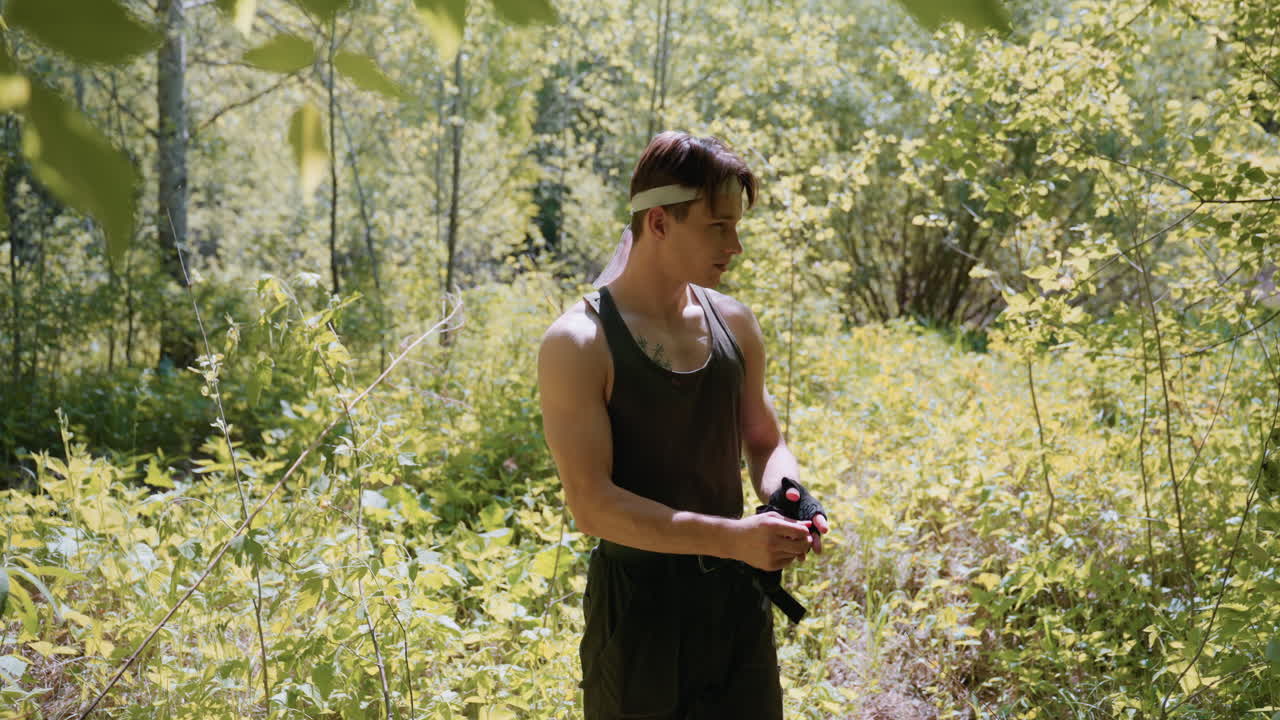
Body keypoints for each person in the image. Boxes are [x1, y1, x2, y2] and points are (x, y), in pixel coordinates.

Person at [537, 131, 832, 719]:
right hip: (639, 613)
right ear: (660, 224)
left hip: (734, 605)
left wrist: (787, 494)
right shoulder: (580, 342)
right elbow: (592, 505)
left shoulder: (735, 324)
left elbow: (764, 440)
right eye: (718, 226)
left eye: (737, 225)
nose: (737, 245)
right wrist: (734, 540)